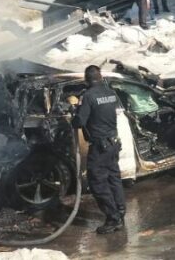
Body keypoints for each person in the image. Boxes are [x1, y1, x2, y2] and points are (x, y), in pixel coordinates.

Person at [72, 65, 126, 234]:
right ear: (100, 77)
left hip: (100, 147)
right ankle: (120, 212)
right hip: (113, 143)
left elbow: (79, 122)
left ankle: (112, 218)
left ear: (87, 80)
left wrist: (74, 115)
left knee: (97, 182)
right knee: (114, 179)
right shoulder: (110, 92)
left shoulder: (88, 96)